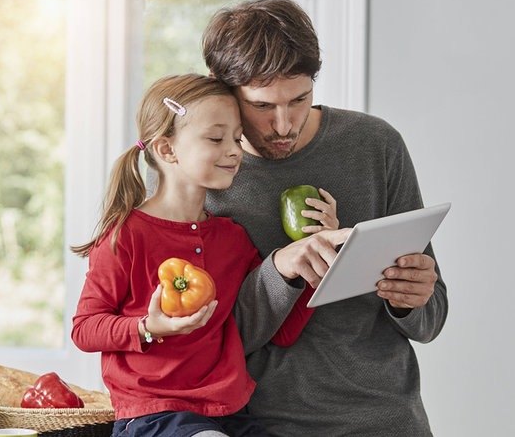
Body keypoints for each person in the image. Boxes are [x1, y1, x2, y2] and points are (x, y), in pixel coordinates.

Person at [203, 0, 448, 436]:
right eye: (262, 106)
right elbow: (197, 341)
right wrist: (279, 270)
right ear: (223, 90)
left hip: (388, 422)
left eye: (300, 99)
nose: (284, 125)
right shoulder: (195, 175)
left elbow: (431, 320)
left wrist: (412, 296)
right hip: (260, 427)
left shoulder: (375, 145)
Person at [71, 74, 337, 437]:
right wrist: (148, 328)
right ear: (167, 150)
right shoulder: (126, 236)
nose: (234, 150)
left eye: (236, 138)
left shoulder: (232, 239)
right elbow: (84, 329)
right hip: (154, 414)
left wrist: (316, 263)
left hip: (230, 413)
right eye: (216, 138)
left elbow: (283, 333)